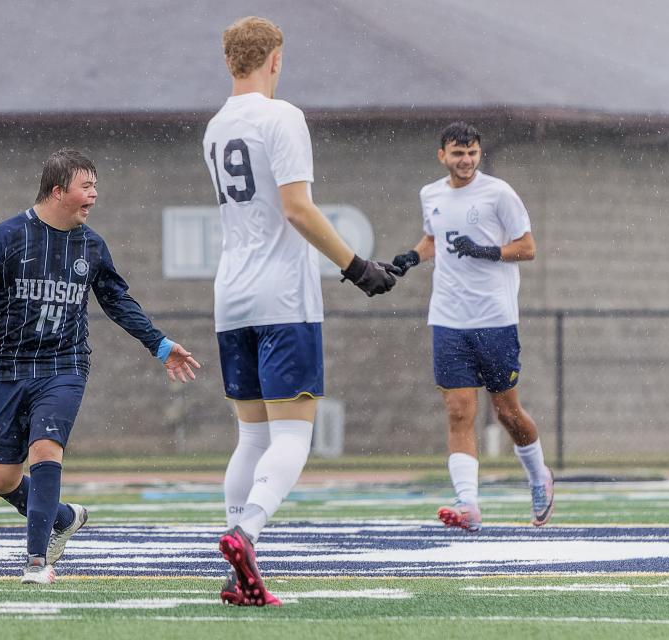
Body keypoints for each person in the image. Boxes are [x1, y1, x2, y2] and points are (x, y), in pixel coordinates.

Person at [203, 16, 397, 607]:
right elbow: (297, 209)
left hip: (230, 294)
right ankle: (246, 532)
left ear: (229, 60)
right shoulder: (281, 116)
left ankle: (241, 567)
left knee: (251, 435)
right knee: (292, 434)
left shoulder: (214, 126)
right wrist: (357, 266)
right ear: (275, 59)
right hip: (282, 296)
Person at [0, 149, 200, 584]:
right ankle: (63, 517)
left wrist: (159, 345)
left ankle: (36, 561)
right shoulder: (6, 236)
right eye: (87, 187)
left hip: (63, 365)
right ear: (57, 191)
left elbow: (118, 302)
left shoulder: (91, 245)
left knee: (45, 449)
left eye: (95, 186)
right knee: (3, 480)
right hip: (6, 367)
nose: (94, 196)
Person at [389, 122, 553, 532]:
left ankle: (539, 477)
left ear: (479, 155)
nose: (466, 160)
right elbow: (433, 239)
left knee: (507, 413)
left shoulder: (499, 193)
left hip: (494, 319)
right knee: (458, 410)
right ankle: (468, 505)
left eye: (472, 153)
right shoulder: (431, 194)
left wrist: (485, 250)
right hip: (448, 319)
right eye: (457, 154)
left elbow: (528, 247)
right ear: (442, 155)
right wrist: (411, 257)